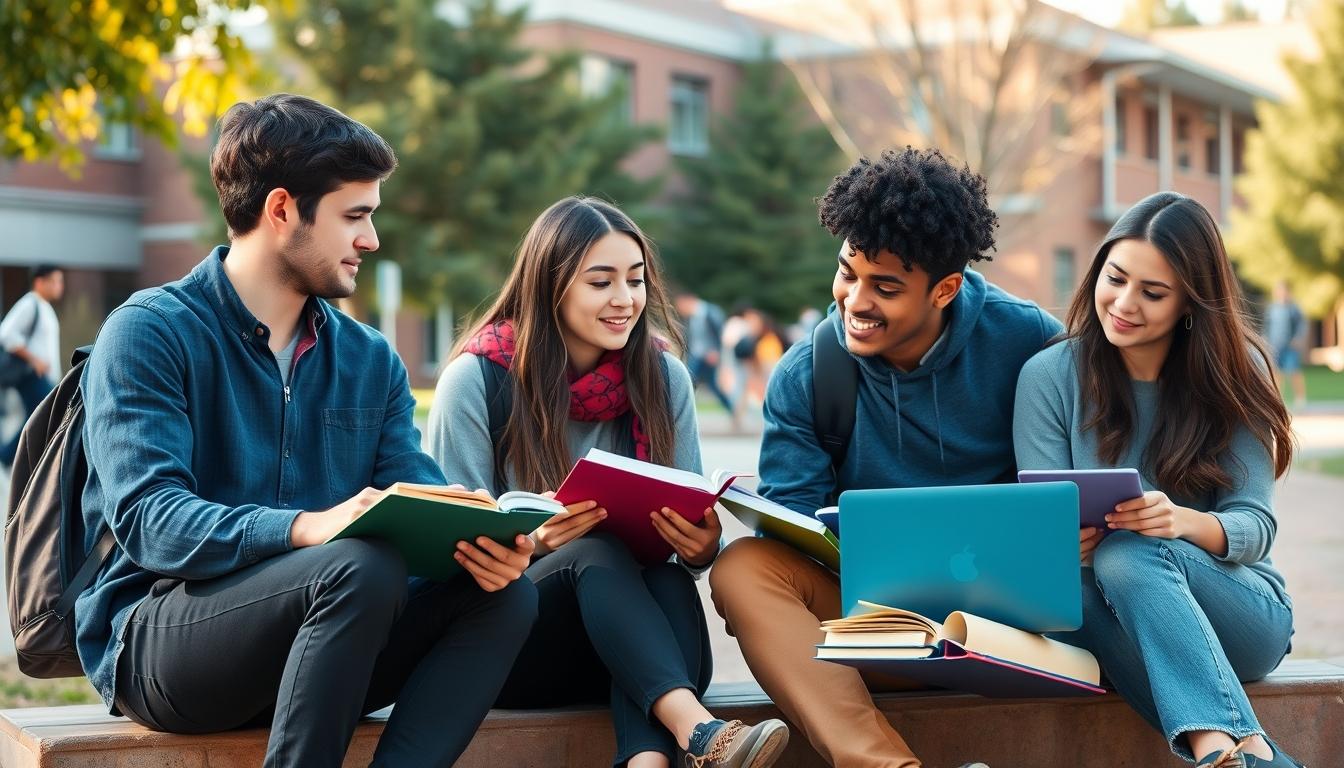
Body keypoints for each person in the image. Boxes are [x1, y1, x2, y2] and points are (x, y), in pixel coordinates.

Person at [76, 94, 539, 768]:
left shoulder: (370, 358)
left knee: (503, 594)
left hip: (333, 640)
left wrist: (487, 541)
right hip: (167, 644)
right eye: (355, 216)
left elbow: (420, 496)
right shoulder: (149, 331)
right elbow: (151, 521)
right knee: (358, 564)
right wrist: (305, 527)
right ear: (283, 210)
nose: (371, 240)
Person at [709, 147, 1062, 768]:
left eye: (886, 287)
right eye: (847, 272)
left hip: (1017, 638)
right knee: (742, 567)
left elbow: (1083, 478)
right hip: (880, 637)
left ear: (945, 289)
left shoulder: (1029, 341)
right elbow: (795, 527)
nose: (855, 301)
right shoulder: (809, 373)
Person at [428, 196, 789, 768]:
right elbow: (445, 560)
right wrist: (535, 542)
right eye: (601, 282)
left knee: (667, 582)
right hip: (514, 648)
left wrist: (700, 546)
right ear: (552, 287)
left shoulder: (662, 376)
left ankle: (652, 760)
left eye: (636, 280)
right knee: (593, 549)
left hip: (636, 646)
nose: (625, 300)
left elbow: (690, 541)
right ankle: (701, 733)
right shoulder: (476, 382)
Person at [1014, 192, 1301, 767]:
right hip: (1098, 610)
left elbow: (1255, 525)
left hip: (1238, 610)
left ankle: (1227, 748)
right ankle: (1233, 753)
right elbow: (1037, 522)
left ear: (1190, 305)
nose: (1123, 303)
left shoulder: (1234, 370)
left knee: (1128, 551)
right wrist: (1059, 548)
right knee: (1095, 585)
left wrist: (1182, 522)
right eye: (1115, 278)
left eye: (1153, 293)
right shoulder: (1049, 377)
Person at [0, 263, 64, 466]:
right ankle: (10, 456)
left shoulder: (45, 308)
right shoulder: (30, 304)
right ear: (39, 282)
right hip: (32, 376)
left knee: (38, 418)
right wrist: (35, 360)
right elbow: (6, 334)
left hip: (44, 377)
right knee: (45, 417)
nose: (59, 286)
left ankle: (11, 457)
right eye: (54, 281)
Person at [675, 290, 736, 418]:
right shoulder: (690, 318)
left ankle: (733, 410)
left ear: (689, 301)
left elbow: (723, 335)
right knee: (688, 381)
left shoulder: (711, 313)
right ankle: (681, 413)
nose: (680, 310)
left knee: (713, 386)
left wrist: (717, 352)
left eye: (681, 306)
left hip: (711, 357)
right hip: (697, 356)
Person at [1263, 281, 1308, 409]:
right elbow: (1267, 327)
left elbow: (1301, 326)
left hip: (1290, 347)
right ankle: (1278, 399)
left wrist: (1298, 339)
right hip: (1275, 346)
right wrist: (1265, 341)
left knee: (1294, 372)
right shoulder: (1272, 309)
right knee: (1276, 374)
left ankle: (1300, 399)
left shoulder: (1294, 309)